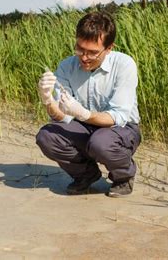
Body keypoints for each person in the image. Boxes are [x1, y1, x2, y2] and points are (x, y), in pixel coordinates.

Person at [35, 12, 141, 197]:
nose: (84, 57)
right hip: (84, 127)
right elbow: (62, 117)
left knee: (100, 142)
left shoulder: (124, 65)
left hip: (121, 128)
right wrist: (48, 100)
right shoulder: (67, 66)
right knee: (47, 136)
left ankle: (123, 176)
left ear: (109, 48)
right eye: (80, 49)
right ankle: (86, 175)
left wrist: (84, 114)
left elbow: (119, 116)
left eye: (92, 52)